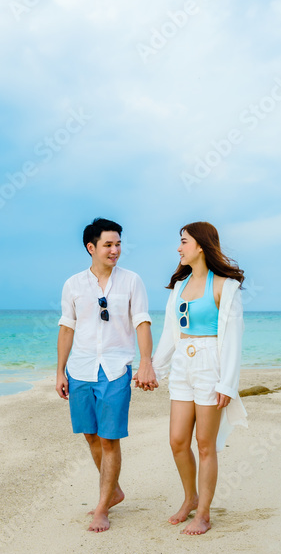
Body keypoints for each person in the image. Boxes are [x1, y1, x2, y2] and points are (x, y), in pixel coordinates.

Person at [56, 218, 157, 533]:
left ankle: (102, 507)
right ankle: (113, 490)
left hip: (116, 368)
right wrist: (59, 370)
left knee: (109, 438)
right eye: (108, 245)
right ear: (91, 247)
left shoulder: (131, 281)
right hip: (81, 368)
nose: (115, 250)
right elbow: (66, 327)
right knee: (90, 435)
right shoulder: (73, 284)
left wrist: (146, 362)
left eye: (118, 244)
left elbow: (141, 321)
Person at [150, 222, 247, 536]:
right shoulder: (180, 286)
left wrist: (227, 383)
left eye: (184, 242)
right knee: (178, 441)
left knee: (205, 446)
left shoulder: (224, 286)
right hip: (182, 365)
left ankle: (203, 513)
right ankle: (190, 497)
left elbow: (233, 337)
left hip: (210, 366)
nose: (179, 248)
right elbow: (170, 332)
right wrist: (155, 367)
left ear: (201, 245)